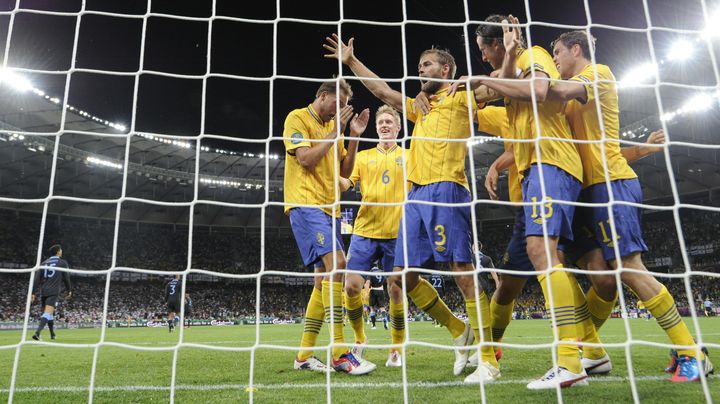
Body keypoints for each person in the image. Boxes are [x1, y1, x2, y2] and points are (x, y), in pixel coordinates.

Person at [324, 33, 501, 383]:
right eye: (419, 65)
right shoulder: (420, 107)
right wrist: (350, 61)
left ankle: (489, 361)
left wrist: (475, 78)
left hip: (447, 188)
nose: (420, 69)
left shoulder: (462, 98)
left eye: (427, 64)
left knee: (463, 272)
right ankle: (458, 330)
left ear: (446, 69)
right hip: (415, 196)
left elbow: (502, 85)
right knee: (400, 276)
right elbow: (382, 92)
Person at [549, 29, 713, 382]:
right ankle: (590, 350)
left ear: (576, 49)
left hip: (611, 186)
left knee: (628, 266)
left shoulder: (598, 74)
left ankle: (691, 351)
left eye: (557, 52)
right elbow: (604, 148)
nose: (555, 60)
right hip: (587, 191)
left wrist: (531, 76)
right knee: (601, 272)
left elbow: (558, 90)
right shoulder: (568, 104)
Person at [470, 15, 590, 389]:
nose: (485, 59)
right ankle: (589, 354)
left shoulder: (534, 54)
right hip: (535, 172)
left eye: (484, 50)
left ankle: (570, 360)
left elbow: (538, 90)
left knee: (544, 252)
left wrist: (491, 76)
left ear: (496, 43)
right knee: (533, 266)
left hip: (549, 162)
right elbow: (482, 98)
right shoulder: (511, 71)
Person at [283, 78, 373, 375]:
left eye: (345, 107)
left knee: (322, 283)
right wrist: (336, 133)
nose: (341, 111)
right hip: (306, 205)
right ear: (323, 96)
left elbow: (344, 173)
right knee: (339, 263)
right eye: (338, 104)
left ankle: (304, 355)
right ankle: (339, 352)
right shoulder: (297, 118)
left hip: (331, 209)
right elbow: (306, 159)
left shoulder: (334, 128)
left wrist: (354, 136)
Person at [343, 105, 405, 368]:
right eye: (381, 122)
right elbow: (346, 183)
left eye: (389, 121)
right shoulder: (364, 157)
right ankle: (360, 339)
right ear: (376, 127)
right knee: (351, 286)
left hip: (397, 232)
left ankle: (396, 347)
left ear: (398, 127)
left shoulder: (411, 156)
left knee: (396, 290)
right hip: (365, 231)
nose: (384, 125)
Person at [31, 244, 71, 341]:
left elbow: (36, 279)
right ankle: (37, 333)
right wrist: (69, 290)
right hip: (54, 291)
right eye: (61, 250)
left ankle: (52, 334)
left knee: (50, 313)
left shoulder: (43, 263)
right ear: (58, 252)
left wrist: (33, 292)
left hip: (44, 291)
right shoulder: (62, 262)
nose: (62, 251)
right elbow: (66, 277)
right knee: (47, 313)